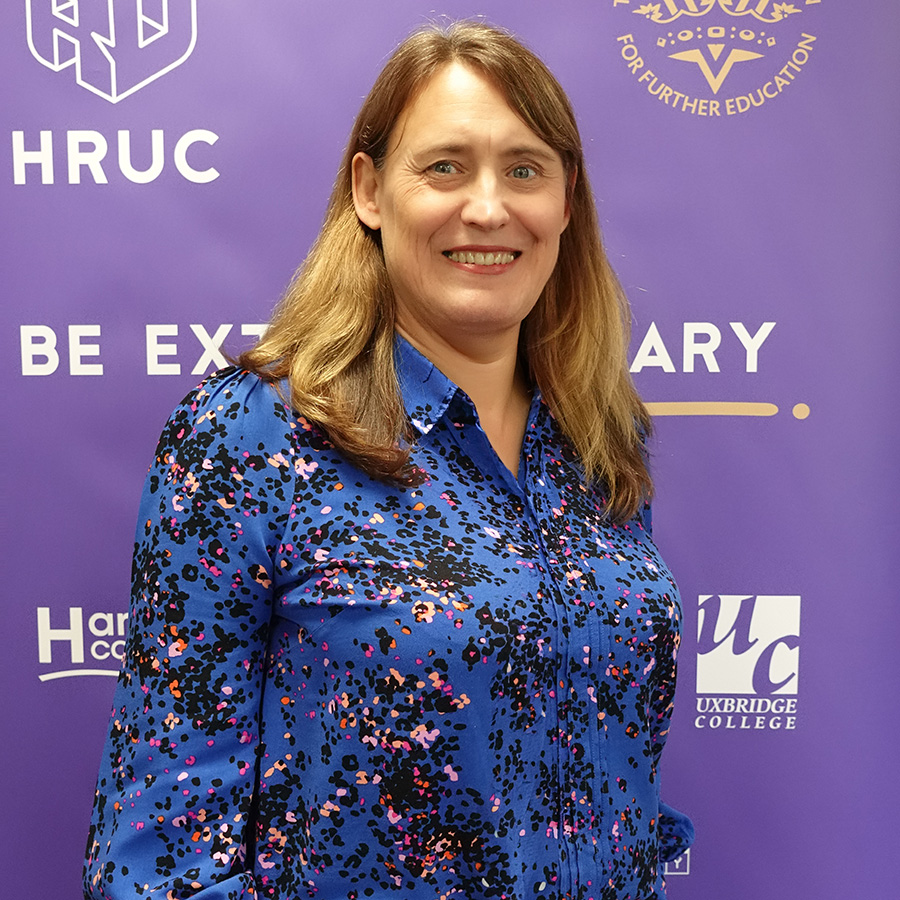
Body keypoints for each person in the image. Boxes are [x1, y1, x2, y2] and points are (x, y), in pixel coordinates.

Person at [84, 21, 693, 900]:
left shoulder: (599, 438)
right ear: (370, 190)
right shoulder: (253, 434)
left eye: (525, 169)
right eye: (445, 167)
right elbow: (159, 857)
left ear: (566, 201)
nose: (489, 208)